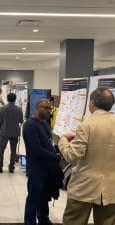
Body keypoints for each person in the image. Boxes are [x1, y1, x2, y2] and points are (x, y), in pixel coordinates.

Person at [58, 87, 115, 225]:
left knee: (74, 221)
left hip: (84, 187)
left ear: (92, 103)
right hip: (111, 189)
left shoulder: (86, 125)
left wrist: (63, 140)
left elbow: (72, 156)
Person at [22, 99, 63, 225]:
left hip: (47, 168)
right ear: (37, 107)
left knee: (44, 197)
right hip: (36, 169)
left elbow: (48, 144)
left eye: (49, 108)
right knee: (33, 198)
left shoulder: (44, 123)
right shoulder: (30, 125)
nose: (47, 110)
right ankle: (29, 222)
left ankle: (43, 219)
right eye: (44, 107)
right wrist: (56, 157)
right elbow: (36, 150)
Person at [0, 93, 23, 173]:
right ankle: (11, 167)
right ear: (15, 99)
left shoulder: (3, 108)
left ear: (7, 99)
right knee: (13, 150)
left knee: (0, 149)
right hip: (15, 132)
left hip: (4, 131)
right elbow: (21, 121)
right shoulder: (19, 109)